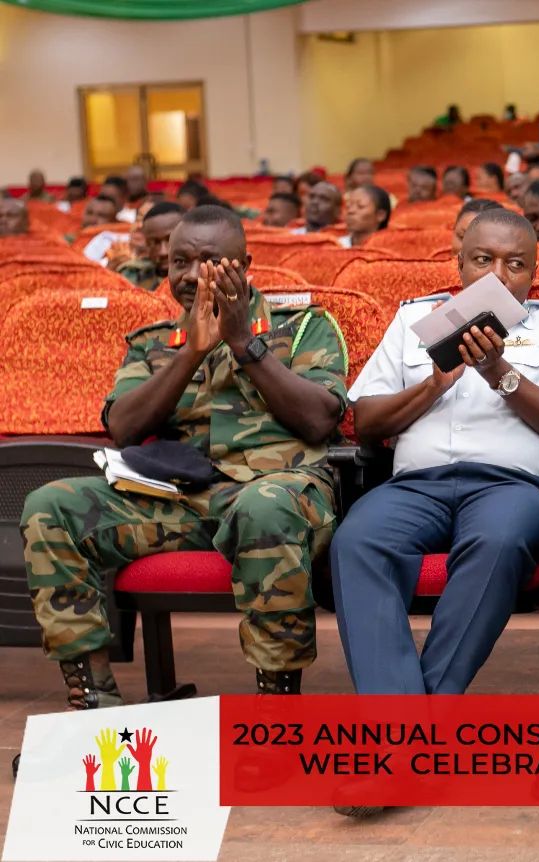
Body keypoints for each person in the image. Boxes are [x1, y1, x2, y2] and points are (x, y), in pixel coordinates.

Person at [21, 205, 348, 708]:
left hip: (279, 493)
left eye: (210, 261)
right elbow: (125, 428)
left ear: (244, 265)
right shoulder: (153, 342)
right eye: (180, 262)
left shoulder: (304, 327)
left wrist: (243, 343)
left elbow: (319, 421)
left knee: (265, 505)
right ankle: (92, 701)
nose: (192, 275)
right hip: (178, 501)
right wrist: (191, 352)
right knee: (50, 505)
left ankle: (277, 707)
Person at [330, 208, 539, 704]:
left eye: (515, 264)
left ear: (533, 272)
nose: (498, 275)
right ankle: (401, 716)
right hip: (416, 486)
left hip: (511, 486)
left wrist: (499, 371)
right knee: (356, 541)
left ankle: (422, 714)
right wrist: (433, 385)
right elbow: (366, 423)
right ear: (459, 263)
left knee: (498, 543)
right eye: (482, 260)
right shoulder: (414, 319)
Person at [116, 202, 183, 291]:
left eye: (170, 239)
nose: (163, 252)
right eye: (155, 243)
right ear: (146, 243)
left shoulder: (199, 278)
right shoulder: (131, 276)